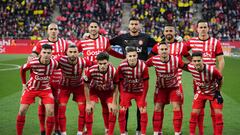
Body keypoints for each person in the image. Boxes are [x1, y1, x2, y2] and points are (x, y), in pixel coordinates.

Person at [110, 17, 157, 134]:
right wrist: (120, 57)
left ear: (139, 26)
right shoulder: (122, 38)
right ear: (129, 26)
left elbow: (158, 46)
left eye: (136, 24)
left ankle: (139, 130)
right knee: (124, 106)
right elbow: (107, 44)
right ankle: (124, 130)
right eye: (132, 24)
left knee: (140, 106)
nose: (134, 26)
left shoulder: (145, 38)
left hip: (141, 74)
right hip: (125, 77)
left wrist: (148, 59)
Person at [186, 19, 225, 135]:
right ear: (196, 29)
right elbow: (182, 52)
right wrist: (192, 62)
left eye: (205, 27)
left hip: (212, 80)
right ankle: (200, 132)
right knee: (199, 109)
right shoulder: (192, 41)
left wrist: (218, 74)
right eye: (200, 27)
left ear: (208, 28)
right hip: (198, 81)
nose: (203, 29)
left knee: (215, 110)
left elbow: (221, 60)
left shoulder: (215, 42)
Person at [30, 23, 69, 135]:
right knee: (42, 103)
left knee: (56, 104)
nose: (53, 31)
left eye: (55, 29)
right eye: (51, 29)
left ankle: (56, 129)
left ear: (58, 31)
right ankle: (43, 129)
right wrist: (31, 57)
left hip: (58, 79)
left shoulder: (64, 43)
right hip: (44, 79)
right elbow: (33, 54)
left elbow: (69, 57)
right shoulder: (41, 43)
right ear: (47, 31)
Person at [146, 42, 188, 135]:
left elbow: (186, 67)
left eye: (165, 49)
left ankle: (177, 132)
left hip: (174, 87)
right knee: (157, 108)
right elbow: (143, 66)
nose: (164, 51)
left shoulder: (176, 59)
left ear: (169, 50)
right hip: (161, 88)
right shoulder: (153, 60)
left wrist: (198, 69)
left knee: (176, 107)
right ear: (158, 51)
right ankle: (157, 132)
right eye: (162, 49)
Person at [16, 44, 58, 135]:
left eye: (48, 53)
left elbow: (58, 70)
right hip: (31, 88)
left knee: (51, 111)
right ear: (40, 53)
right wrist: (24, 84)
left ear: (51, 54)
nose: (46, 54)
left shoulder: (54, 63)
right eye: (44, 52)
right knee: (22, 110)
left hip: (45, 89)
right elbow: (22, 69)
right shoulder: (33, 62)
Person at [56, 45, 94, 135]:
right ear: (67, 53)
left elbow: (95, 64)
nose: (72, 54)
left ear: (78, 53)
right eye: (70, 52)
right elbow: (49, 63)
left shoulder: (83, 61)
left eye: (75, 52)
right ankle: (63, 133)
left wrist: (88, 75)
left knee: (82, 110)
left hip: (79, 87)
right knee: (61, 110)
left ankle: (80, 132)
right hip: (64, 87)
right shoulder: (61, 60)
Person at [188, 51, 223, 135]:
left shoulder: (211, 70)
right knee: (194, 114)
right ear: (192, 61)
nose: (197, 63)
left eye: (199, 61)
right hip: (201, 92)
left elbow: (221, 79)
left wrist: (218, 92)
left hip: (213, 92)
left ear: (202, 60)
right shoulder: (190, 67)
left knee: (218, 114)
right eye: (195, 61)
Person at [117, 46, 149, 135]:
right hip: (126, 91)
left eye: (134, 56)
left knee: (143, 110)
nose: (132, 58)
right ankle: (123, 132)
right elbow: (119, 82)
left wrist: (143, 97)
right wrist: (122, 95)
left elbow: (146, 83)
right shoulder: (122, 66)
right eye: (130, 56)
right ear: (126, 56)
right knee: (122, 110)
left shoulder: (143, 66)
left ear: (137, 55)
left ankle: (141, 132)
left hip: (139, 91)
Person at [84, 52, 118, 135]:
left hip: (108, 92)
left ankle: (109, 132)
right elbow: (86, 85)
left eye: (104, 63)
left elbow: (116, 86)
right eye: (100, 64)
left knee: (112, 110)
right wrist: (88, 103)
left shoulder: (113, 71)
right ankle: (89, 133)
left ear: (108, 62)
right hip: (94, 91)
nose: (102, 66)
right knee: (89, 109)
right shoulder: (91, 70)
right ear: (97, 62)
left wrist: (114, 103)